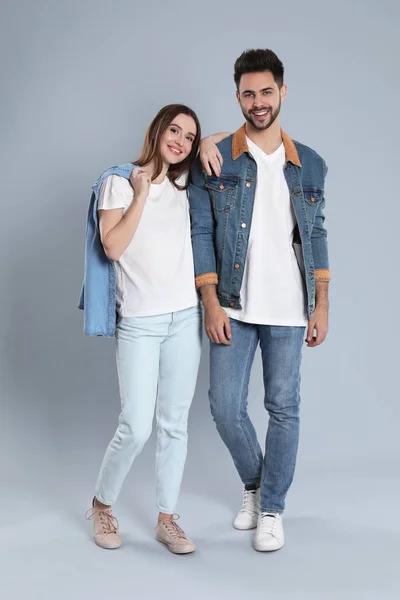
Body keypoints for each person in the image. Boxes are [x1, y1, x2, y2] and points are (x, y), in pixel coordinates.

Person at [189, 49, 331, 552]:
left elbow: (315, 236)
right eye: (248, 93)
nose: (258, 102)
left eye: (266, 91)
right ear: (238, 97)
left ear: (282, 92)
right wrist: (209, 300)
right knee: (224, 407)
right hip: (232, 302)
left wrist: (322, 304)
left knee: (283, 407)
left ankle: (271, 507)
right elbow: (201, 228)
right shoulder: (217, 156)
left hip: (291, 308)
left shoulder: (309, 163)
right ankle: (255, 483)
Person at [80, 104, 203, 554]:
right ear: (157, 130)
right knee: (135, 426)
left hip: (184, 318)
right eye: (175, 130)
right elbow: (112, 246)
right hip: (140, 321)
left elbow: (229, 142)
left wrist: (209, 142)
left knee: (174, 424)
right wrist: (140, 195)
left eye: (190, 137)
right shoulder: (118, 180)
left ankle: (167, 519)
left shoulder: (186, 183)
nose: (181, 142)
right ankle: (101, 502)